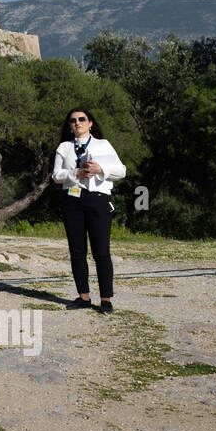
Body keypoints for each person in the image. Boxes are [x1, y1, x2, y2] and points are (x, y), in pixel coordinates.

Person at [52, 107, 126, 313]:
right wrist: (75, 172)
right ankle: (83, 297)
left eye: (82, 119)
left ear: (90, 123)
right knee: (77, 251)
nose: (78, 123)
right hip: (72, 200)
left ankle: (106, 299)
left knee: (101, 251)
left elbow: (121, 171)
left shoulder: (103, 145)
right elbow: (56, 176)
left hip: (98, 200)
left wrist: (100, 169)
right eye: (73, 120)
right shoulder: (64, 147)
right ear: (69, 126)